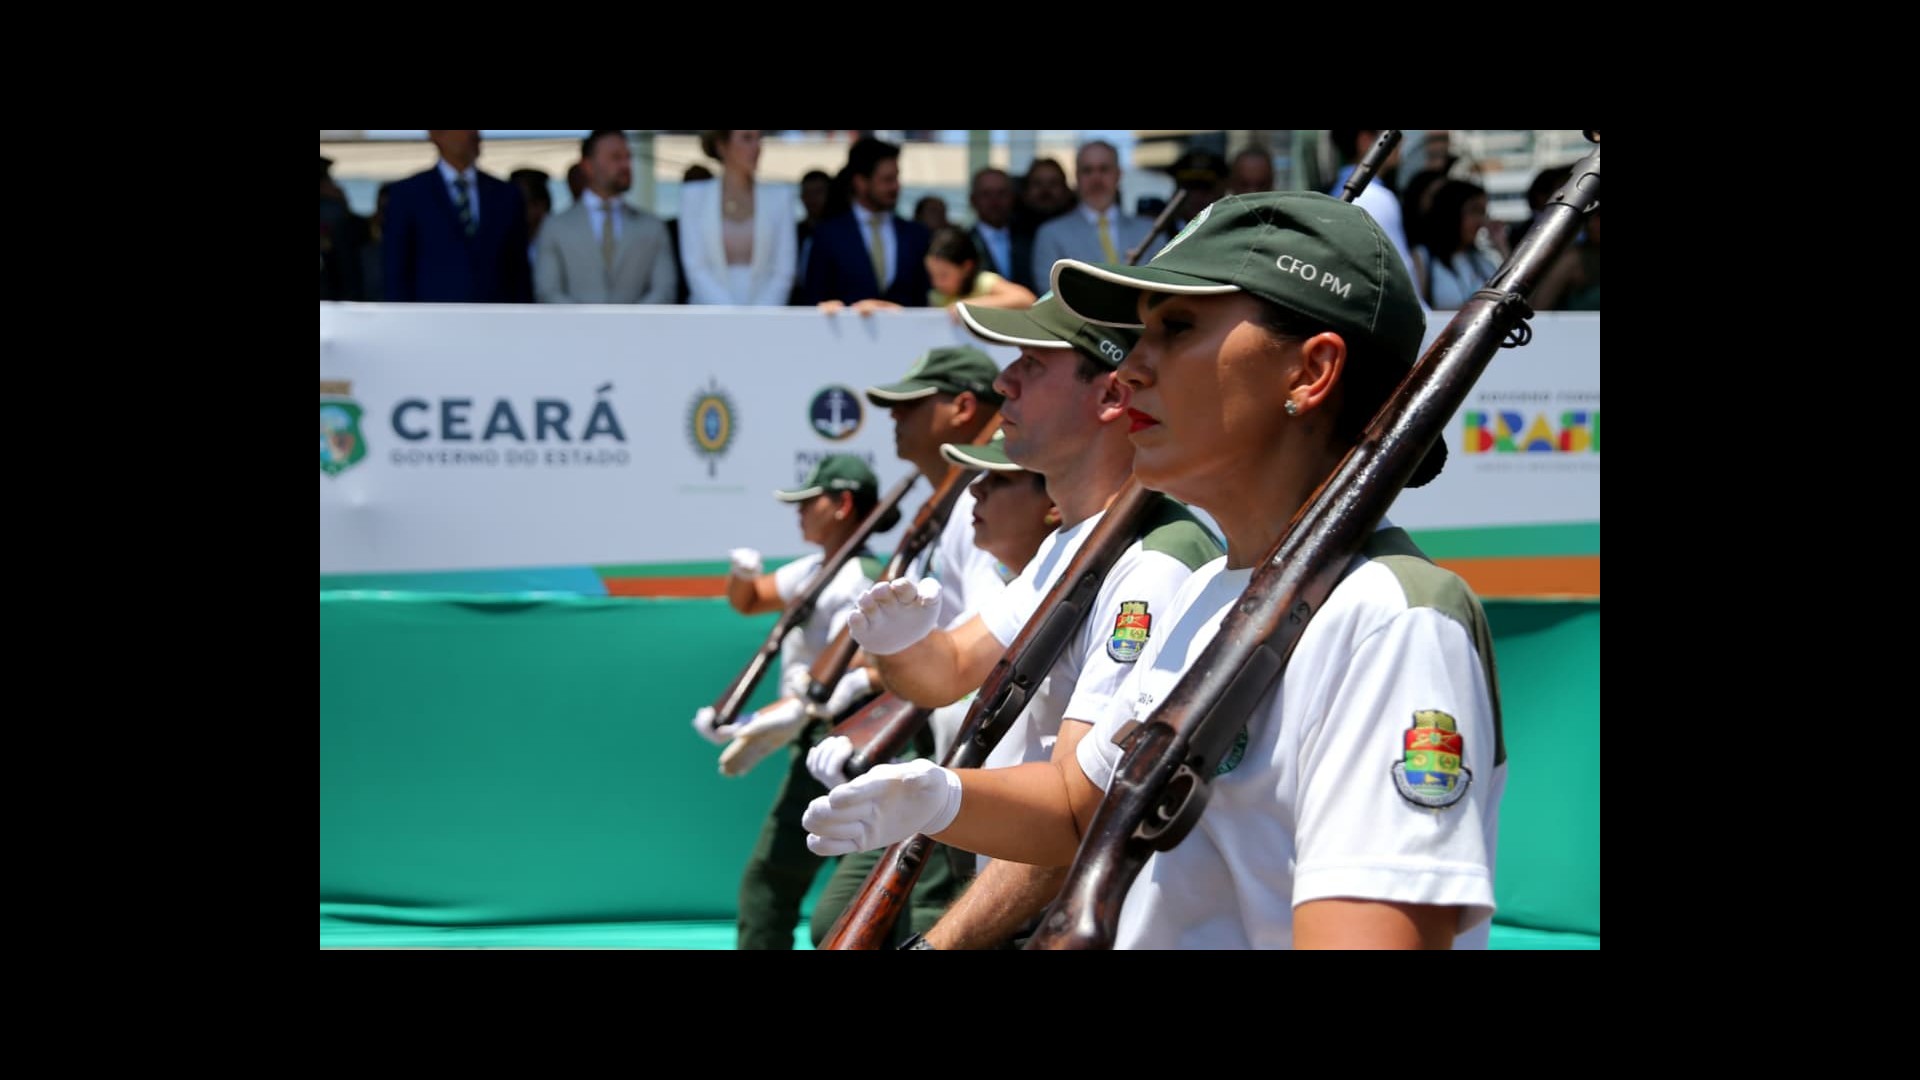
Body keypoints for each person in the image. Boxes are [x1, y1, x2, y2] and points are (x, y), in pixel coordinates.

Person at [804, 191, 1506, 950]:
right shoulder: (1209, 590)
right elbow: (1078, 806)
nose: (1132, 368)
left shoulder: (1392, 622)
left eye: (1176, 329)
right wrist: (940, 796)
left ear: (1311, 371)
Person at [806, 293, 1223, 950]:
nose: (1004, 382)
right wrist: (895, 645)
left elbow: (1077, 816)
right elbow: (947, 670)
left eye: (1031, 363)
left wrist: (941, 940)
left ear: (1111, 397)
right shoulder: (1071, 543)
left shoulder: (1152, 565)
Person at [690, 454, 897, 949]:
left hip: (855, 739)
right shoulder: (816, 569)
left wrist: (752, 718)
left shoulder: (862, 577)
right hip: (813, 736)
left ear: (843, 504)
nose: (799, 511)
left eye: (810, 501)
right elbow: (749, 600)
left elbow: (842, 670)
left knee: (861, 895)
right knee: (770, 880)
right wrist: (741, 575)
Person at [382, 129, 532, 303]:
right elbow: (396, 272)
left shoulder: (507, 195)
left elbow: (519, 271)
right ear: (436, 135)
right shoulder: (407, 194)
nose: (473, 133)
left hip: (496, 313)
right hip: (432, 314)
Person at [534, 130, 678, 304]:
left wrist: (631, 319)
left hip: (637, 322)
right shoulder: (555, 226)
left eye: (628, 157)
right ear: (588, 166)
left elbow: (664, 290)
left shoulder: (653, 227)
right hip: (575, 323)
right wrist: (585, 320)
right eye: (615, 157)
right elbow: (548, 291)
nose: (625, 165)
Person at [802, 135, 932, 307]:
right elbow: (814, 300)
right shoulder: (828, 236)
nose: (895, 186)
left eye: (896, 178)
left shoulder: (915, 235)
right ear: (860, 182)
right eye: (887, 180)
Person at [677, 130, 798, 306]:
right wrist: (729, 315)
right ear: (722, 146)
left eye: (759, 138)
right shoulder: (693, 196)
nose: (757, 147)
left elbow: (783, 272)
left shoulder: (780, 197)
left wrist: (759, 316)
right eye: (747, 138)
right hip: (708, 315)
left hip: (766, 316)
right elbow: (696, 268)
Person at [821, 225, 1036, 318]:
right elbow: (916, 317)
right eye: (932, 275)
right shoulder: (937, 295)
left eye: (944, 275)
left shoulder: (984, 282)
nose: (936, 282)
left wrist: (966, 307)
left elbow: (1025, 298)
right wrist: (880, 307)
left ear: (966, 267)